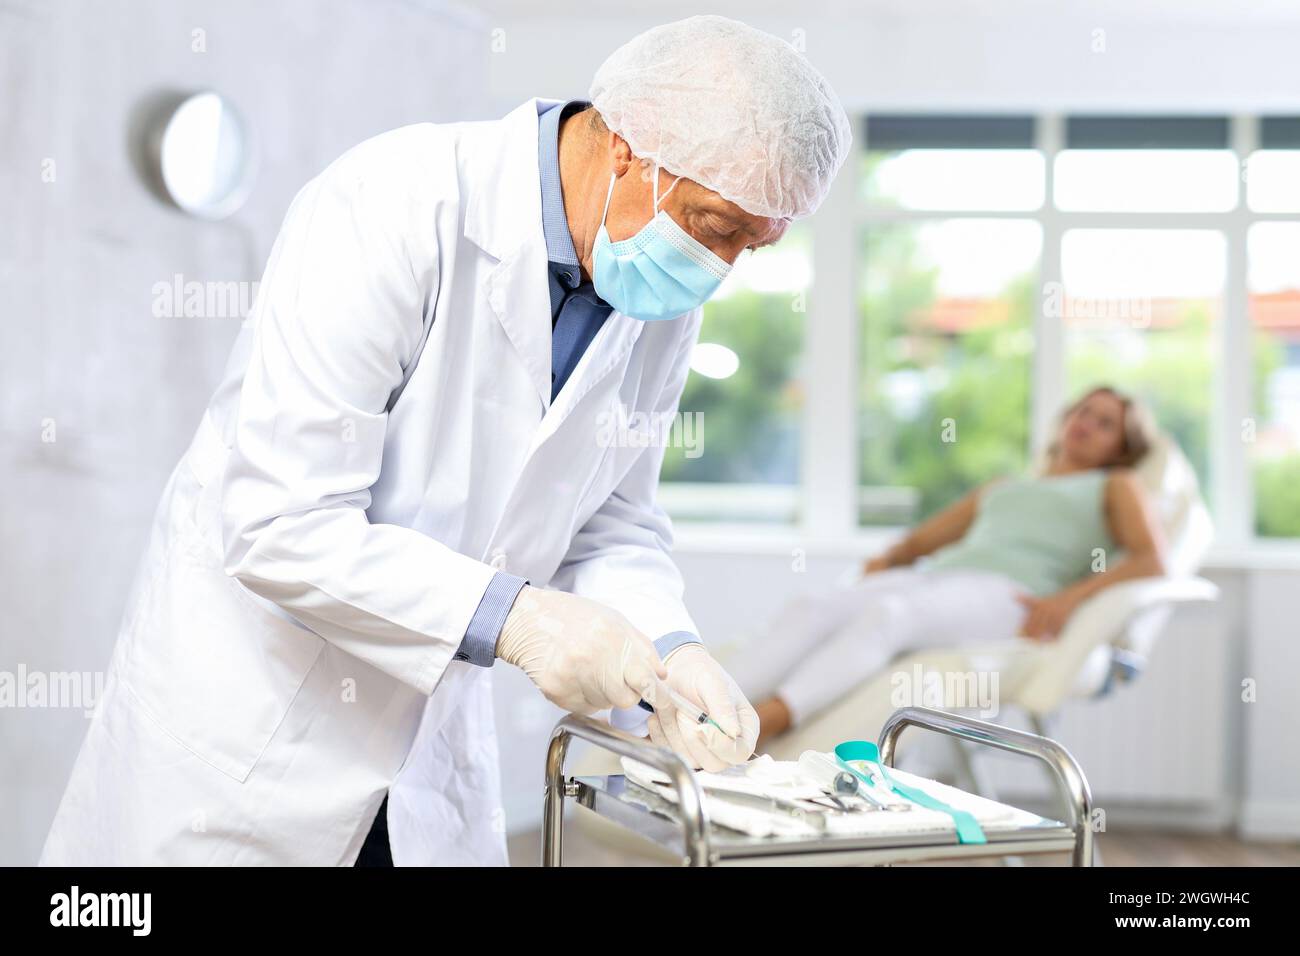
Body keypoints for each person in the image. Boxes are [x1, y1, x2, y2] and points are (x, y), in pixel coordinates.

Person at [39, 16, 852, 865]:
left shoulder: (653, 300)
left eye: (752, 244)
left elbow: (613, 522)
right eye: (716, 225)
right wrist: (517, 619)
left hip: (427, 758)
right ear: (627, 151)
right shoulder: (395, 202)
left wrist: (674, 649)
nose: (720, 266)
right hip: (255, 739)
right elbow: (278, 523)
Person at [733, 386, 1168, 742]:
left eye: (1105, 423)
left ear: (1122, 448)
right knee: (812, 606)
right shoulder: (1005, 488)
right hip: (937, 577)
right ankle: (705, 706)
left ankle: (760, 724)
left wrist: (1069, 600)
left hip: (1009, 595)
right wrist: (887, 560)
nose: (1087, 424)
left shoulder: (1114, 484)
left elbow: (1152, 560)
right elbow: (922, 541)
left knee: (889, 616)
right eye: (1084, 412)